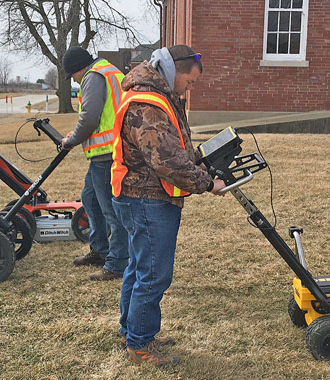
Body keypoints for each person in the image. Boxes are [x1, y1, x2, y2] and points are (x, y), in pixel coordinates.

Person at [110, 45, 226, 366]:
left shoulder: (160, 95)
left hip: (143, 195)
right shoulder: (147, 104)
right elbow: (167, 161)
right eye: (190, 82)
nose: (190, 89)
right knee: (153, 275)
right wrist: (206, 183)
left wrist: (200, 161)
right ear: (175, 71)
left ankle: (131, 331)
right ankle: (141, 345)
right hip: (147, 198)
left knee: (138, 268)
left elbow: (175, 149)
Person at [60, 46, 129, 281]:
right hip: (107, 151)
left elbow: (89, 118)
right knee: (89, 198)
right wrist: (76, 135)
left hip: (108, 153)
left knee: (111, 209)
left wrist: (71, 140)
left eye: (73, 77)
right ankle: (100, 250)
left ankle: (118, 263)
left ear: (77, 70)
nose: (75, 82)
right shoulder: (108, 71)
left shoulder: (94, 76)